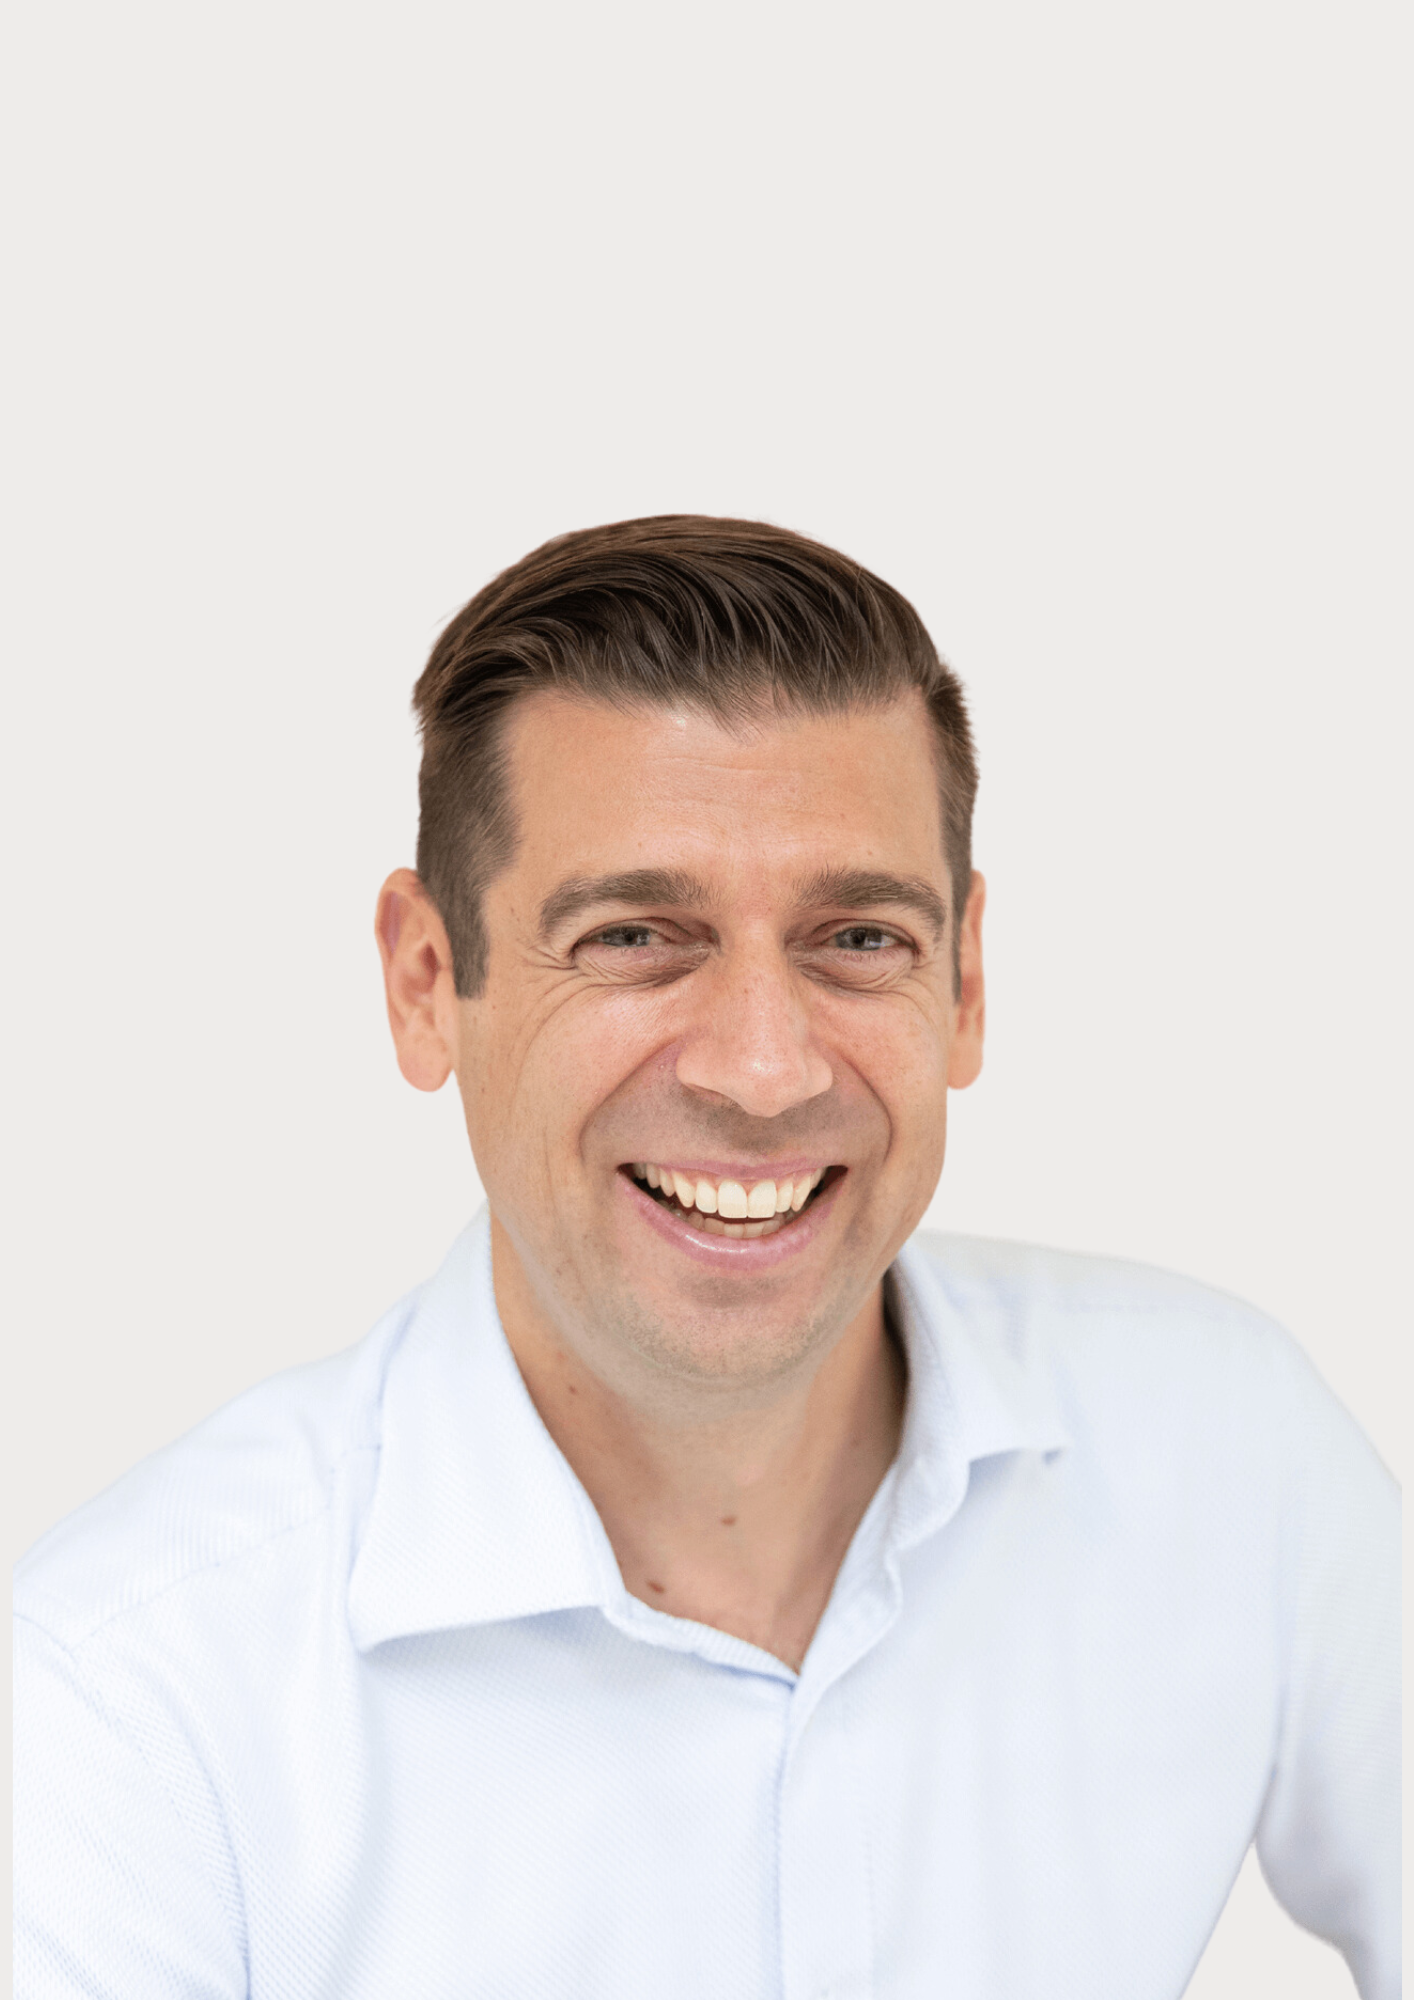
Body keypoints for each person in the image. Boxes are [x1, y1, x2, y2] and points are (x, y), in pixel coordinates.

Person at [14, 516, 1398, 1999]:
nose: (759, 1069)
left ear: (966, 981)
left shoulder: (1230, 1454)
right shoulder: (127, 1703)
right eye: (632, 938)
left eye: (856, 938)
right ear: (428, 984)